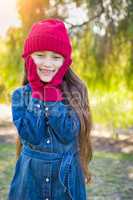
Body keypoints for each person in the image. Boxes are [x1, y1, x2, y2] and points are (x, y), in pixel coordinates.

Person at [7, 18, 93, 200]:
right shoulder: (19, 96)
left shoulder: (76, 92)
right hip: (29, 182)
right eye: (40, 55)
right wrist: (38, 92)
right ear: (29, 58)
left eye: (56, 57)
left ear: (65, 62)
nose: (48, 63)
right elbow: (32, 135)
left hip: (65, 181)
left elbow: (67, 133)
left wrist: (51, 93)